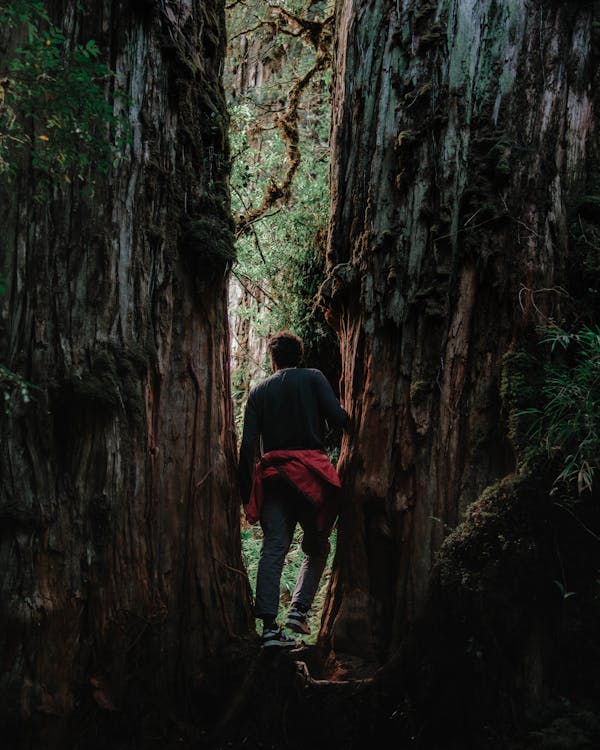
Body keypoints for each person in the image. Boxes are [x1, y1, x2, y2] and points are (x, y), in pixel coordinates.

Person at [238, 330, 349, 648]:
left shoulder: (259, 392)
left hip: (273, 479)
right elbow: (338, 417)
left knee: (274, 547)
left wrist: (247, 492)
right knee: (317, 545)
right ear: (298, 356)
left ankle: (270, 629)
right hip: (310, 478)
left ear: (272, 359)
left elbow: (248, 447)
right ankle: (298, 610)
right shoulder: (313, 377)